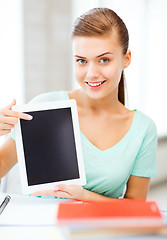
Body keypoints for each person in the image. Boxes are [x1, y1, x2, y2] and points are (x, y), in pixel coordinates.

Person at [0, 8, 157, 201]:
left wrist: (83, 195)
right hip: (42, 228)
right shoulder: (44, 107)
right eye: (82, 61)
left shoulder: (143, 129)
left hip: (103, 230)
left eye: (104, 60)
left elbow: (136, 208)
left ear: (126, 59)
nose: (91, 73)